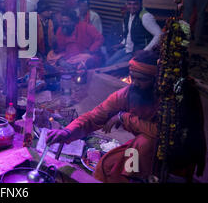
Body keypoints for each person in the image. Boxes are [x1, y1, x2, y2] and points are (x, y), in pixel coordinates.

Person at [47, 50, 205, 183]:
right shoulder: (127, 95)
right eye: (132, 77)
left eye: (141, 79)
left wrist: (124, 117)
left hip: (172, 156)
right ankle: (133, 175)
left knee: (144, 144)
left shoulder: (173, 98)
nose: (134, 83)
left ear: (157, 80)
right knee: (108, 165)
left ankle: (135, 177)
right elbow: (94, 117)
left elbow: (164, 133)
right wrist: (67, 132)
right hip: (140, 155)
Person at [105, 0, 161, 67]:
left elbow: (159, 34)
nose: (132, 7)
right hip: (126, 49)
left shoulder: (145, 16)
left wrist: (145, 50)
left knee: (113, 68)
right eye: (129, 4)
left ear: (141, 4)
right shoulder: (128, 15)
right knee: (107, 64)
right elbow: (129, 33)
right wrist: (122, 43)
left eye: (135, 4)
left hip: (136, 52)